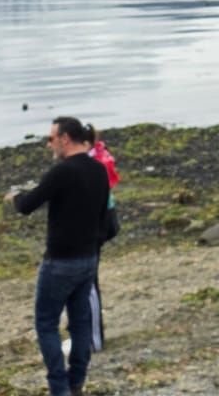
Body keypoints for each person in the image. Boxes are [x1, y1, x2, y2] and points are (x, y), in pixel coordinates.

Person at [7, 115, 111, 396]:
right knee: (80, 324)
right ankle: (76, 382)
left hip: (60, 261)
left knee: (46, 323)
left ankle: (60, 386)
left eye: (51, 138)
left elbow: (29, 204)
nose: (49, 145)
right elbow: (104, 217)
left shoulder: (62, 172)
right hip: (88, 259)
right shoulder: (99, 170)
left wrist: (15, 198)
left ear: (65, 138)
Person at [84, 125, 121, 353]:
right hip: (102, 223)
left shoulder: (97, 163)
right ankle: (88, 334)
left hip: (97, 225)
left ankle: (94, 339)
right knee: (87, 280)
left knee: (88, 282)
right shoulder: (99, 158)